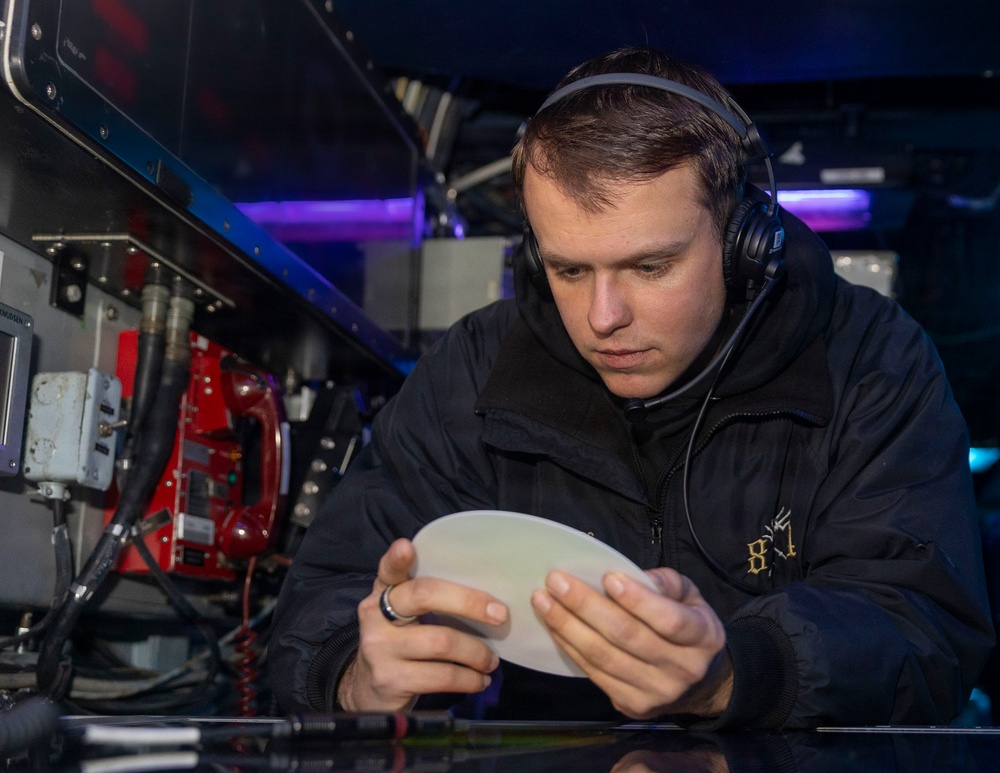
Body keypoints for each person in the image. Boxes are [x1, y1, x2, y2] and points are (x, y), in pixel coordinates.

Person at [269, 46, 994, 729]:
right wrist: (357, 678)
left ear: (744, 239)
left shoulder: (872, 359)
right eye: (569, 270)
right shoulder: (474, 369)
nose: (603, 318)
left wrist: (737, 673)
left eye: (650, 267)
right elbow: (321, 602)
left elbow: (925, 625)